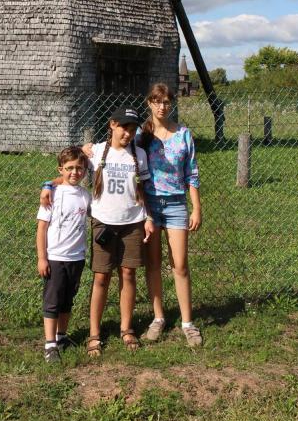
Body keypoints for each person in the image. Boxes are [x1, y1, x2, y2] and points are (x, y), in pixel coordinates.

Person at [42, 107, 154, 357]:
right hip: (103, 222)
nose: (128, 133)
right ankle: (95, 333)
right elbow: (71, 172)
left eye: (133, 128)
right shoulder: (96, 153)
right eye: (124, 127)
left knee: (128, 274)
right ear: (112, 125)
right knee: (101, 276)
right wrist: (47, 185)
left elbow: (144, 189)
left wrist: (148, 216)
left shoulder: (140, 155)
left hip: (133, 222)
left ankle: (126, 328)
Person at [138, 83, 203, 347]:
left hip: (176, 204)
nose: (162, 106)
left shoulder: (184, 134)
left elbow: (192, 173)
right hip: (150, 207)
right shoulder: (142, 136)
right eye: (157, 101)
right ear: (149, 103)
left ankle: (188, 323)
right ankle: (158, 318)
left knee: (180, 265)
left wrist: (196, 207)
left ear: (171, 104)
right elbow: (115, 147)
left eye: (166, 101)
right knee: (153, 264)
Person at [36, 146, 91, 363]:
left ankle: (62, 336)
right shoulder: (52, 195)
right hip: (55, 257)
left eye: (79, 168)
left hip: (77, 258)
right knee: (52, 301)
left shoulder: (86, 196)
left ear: (85, 170)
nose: (74, 172)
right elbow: (41, 228)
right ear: (60, 169)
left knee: (68, 299)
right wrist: (42, 258)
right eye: (69, 168)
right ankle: (50, 345)